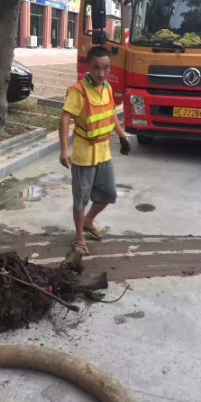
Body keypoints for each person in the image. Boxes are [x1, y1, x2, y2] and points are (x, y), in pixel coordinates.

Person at [59, 46, 131, 256]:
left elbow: (110, 115)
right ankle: (79, 237)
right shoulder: (78, 91)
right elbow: (65, 119)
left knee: (108, 194)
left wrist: (122, 136)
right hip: (83, 155)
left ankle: (88, 221)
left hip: (103, 153)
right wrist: (65, 149)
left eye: (106, 68)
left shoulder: (107, 88)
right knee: (81, 199)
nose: (101, 73)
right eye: (96, 68)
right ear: (88, 67)